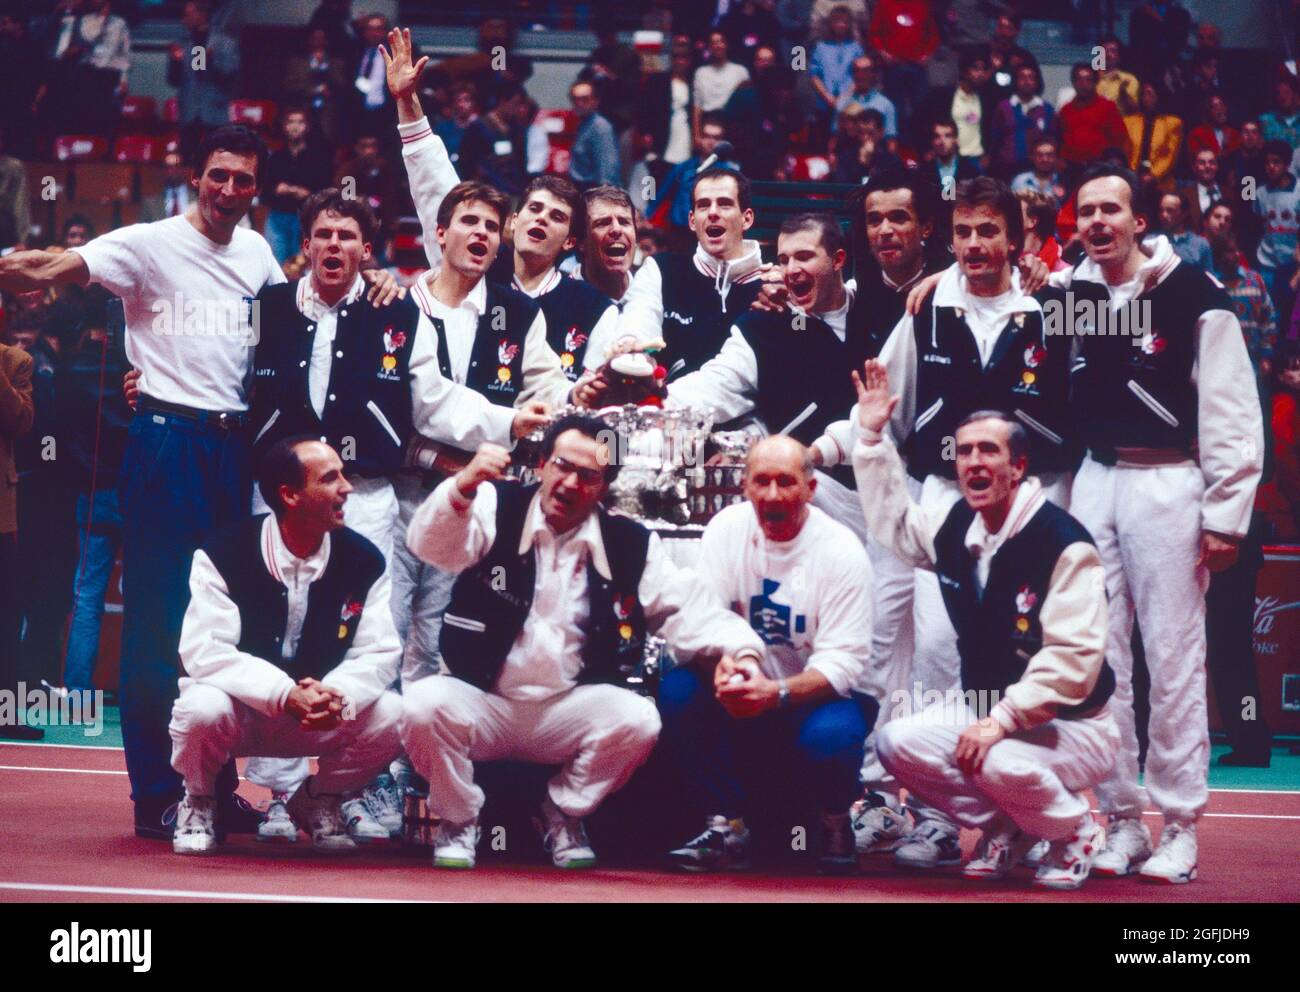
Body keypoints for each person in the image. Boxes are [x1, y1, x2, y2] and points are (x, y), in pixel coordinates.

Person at [816, 176, 1077, 870]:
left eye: (989, 231)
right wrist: (825, 448)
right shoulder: (927, 311)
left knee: (1017, 662)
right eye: (964, 232)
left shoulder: (1047, 311)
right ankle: (937, 819)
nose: (975, 245)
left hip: (1025, 509)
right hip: (940, 502)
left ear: (1015, 240)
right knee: (935, 657)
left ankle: (1025, 821)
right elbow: (880, 407)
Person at [400, 416, 767, 870]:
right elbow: (431, 546)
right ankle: (459, 819)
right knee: (419, 705)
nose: (570, 484)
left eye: (588, 475)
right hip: (482, 700)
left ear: (604, 485)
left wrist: (743, 653)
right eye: (562, 466)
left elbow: (690, 609)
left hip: (564, 710)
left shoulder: (628, 543)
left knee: (637, 719)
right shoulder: (497, 506)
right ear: (540, 465)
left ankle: (563, 814)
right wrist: (463, 486)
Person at [1055, 163, 1264, 883]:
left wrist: (1227, 516)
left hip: (1168, 482)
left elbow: (1233, 410)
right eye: (1086, 212)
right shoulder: (1071, 292)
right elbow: (991, 300)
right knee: (1098, 658)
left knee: (1173, 658)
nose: (1098, 223)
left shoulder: (1192, 295)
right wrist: (935, 284)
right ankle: (1120, 818)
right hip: (1094, 480)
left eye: (1112, 209)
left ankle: (1179, 824)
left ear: (1140, 220)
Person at [853, 372, 1119, 891]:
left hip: (1073, 724)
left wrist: (1000, 720)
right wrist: (869, 440)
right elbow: (897, 524)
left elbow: (1072, 662)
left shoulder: (1065, 544)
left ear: (1018, 467)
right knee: (895, 743)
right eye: (965, 451)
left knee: (995, 762)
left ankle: (1074, 830)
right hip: (986, 708)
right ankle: (1014, 826)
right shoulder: (957, 528)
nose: (974, 461)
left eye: (989, 452)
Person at [168, 437, 404, 855]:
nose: (347, 487)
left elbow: (379, 653)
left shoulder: (364, 561)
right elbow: (204, 650)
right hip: (246, 713)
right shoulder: (224, 552)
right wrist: (283, 694)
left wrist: (338, 695)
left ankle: (319, 800)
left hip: (325, 714)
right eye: (331, 478)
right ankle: (200, 800)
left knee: (396, 715)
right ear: (289, 495)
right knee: (200, 706)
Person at [660, 435, 876, 874]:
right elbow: (701, 620)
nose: (773, 495)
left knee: (833, 738)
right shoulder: (726, 529)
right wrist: (726, 666)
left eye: (786, 482)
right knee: (679, 689)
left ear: (810, 489)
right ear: (745, 486)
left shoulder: (841, 551)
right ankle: (728, 826)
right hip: (742, 690)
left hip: (813, 701)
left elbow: (844, 663)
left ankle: (835, 821)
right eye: (762, 482)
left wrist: (775, 693)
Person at [603, 168, 764, 383]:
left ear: (747, 219)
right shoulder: (660, 269)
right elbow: (639, 318)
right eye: (703, 205)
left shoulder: (773, 282)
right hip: (667, 409)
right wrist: (631, 345)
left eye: (724, 204)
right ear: (691, 220)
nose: (713, 212)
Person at [0, 336, 35, 740]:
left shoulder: (16, 362)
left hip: (1, 514)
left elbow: (22, 422)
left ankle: (6, 713)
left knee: (5, 616)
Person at [167, 0, 240, 157]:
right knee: (188, 158)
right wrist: (176, 62)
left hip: (214, 112)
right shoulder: (181, 44)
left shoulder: (224, 42)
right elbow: (173, 80)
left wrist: (212, 60)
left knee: (217, 156)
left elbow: (229, 75)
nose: (183, 20)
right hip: (190, 112)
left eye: (187, 15)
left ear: (202, 15)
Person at [262, 107, 334, 264]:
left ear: (307, 127)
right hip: (278, 217)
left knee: (302, 265)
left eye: (300, 122)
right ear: (284, 126)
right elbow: (264, 192)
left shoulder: (318, 158)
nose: (295, 126)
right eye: (291, 122)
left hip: (305, 217)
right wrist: (280, 190)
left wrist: (307, 194)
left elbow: (327, 191)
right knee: (275, 263)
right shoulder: (276, 158)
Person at [647, 113, 734, 233]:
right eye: (706, 136)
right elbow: (660, 195)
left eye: (716, 138)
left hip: (710, 232)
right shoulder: (682, 168)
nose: (711, 141)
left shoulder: (729, 173)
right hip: (678, 232)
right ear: (699, 137)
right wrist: (648, 218)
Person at [917, 46, 995, 172]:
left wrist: (988, 154)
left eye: (983, 69)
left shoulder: (986, 100)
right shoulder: (942, 95)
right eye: (975, 68)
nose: (980, 73)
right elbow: (920, 122)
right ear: (964, 70)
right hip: (949, 159)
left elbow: (991, 130)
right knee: (947, 191)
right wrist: (926, 149)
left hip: (976, 160)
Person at [1057, 64, 1129, 178]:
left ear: (1095, 82)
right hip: (1071, 170)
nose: (1083, 84)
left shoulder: (1107, 107)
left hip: (1100, 169)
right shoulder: (1066, 111)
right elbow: (1059, 140)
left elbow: (1120, 140)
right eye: (1079, 80)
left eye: (1088, 80)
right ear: (1073, 83)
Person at [989, 63, 1056, 180]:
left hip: (1037, 169)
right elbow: (995, 139)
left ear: (1036, 82)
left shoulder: (1046, 109)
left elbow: (1053, 138)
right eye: (1022, 77)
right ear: (1016, 81)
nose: (1027, 81)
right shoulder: (1004, 107)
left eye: (1031, 77)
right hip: (1007, 168)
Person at [1254, 140, 1300, 297]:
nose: (1271, 167)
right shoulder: (1260, 192)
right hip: (1267, 263)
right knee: (1270, 309)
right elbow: (1258, 223)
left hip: (1295, 263)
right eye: (1267, 162)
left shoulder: (1299, 190)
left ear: (1287, 165)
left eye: (1276, 162)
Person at [1124, 82, 1182, 196]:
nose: (1146, 98)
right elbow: (1126, 151)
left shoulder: (1173, 123)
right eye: (1144, 94)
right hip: (1133, 181)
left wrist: (1153, 176)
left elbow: (1170, 156)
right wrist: (1132, 175)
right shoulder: (1128, 122)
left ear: (1159, 96)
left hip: (1162, 184)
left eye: (1150, 94)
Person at [693, 31, 750, 139]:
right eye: (713, 43)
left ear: (726, 44)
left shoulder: (740, 71)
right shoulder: (701, 72)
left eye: (720, 41)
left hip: (733, 126)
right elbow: (697, 107)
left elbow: (747, 107)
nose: (717, 45)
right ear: (709, 47)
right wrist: (696, 136)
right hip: (708, 125)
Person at [568, 81, 621, 190]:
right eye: (575, 99)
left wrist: (603, 199)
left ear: (595, 101)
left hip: (593, 191)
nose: (579, 103)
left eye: (585, 99)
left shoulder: (600, 127)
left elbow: (607, 169)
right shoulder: (584, 125)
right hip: (580, 189)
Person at [836, 51, 898, 140]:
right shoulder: (842, 103)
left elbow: (891, 142)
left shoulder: (886, 105)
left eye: (865, 71)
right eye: (856, 71)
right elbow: (835, 138)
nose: (860, 75)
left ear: (874, 75)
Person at [1158, 189, 1212, 270]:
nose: (1164, 215)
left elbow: (1209, 277)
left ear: (1184, 213)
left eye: (1170, 210)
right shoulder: (1152, 241)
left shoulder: (1200, 244)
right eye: (1161, 210)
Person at [924, 117, 980, 195]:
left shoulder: (972, 168)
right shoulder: (924, 172)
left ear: (956, 140)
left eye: (948, 136)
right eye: (937, 136)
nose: (942, 141)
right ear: (932, 142)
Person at [1011, 136, 1067, 202]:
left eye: (1049, 155)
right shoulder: (1020, 181)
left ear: (1055, 157)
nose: (1045, 159)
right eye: (1040, 155)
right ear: (1032, 157)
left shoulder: (1063, 181)